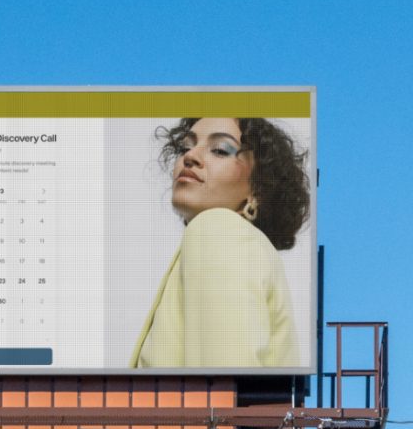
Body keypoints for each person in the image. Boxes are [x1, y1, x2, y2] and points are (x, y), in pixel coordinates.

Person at [129, 117, 309, 368]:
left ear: (258, 188)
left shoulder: (218, 230)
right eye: (185, 147)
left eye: (220, 150)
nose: (190, 156)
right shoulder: (244, 246)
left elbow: (221, 390)